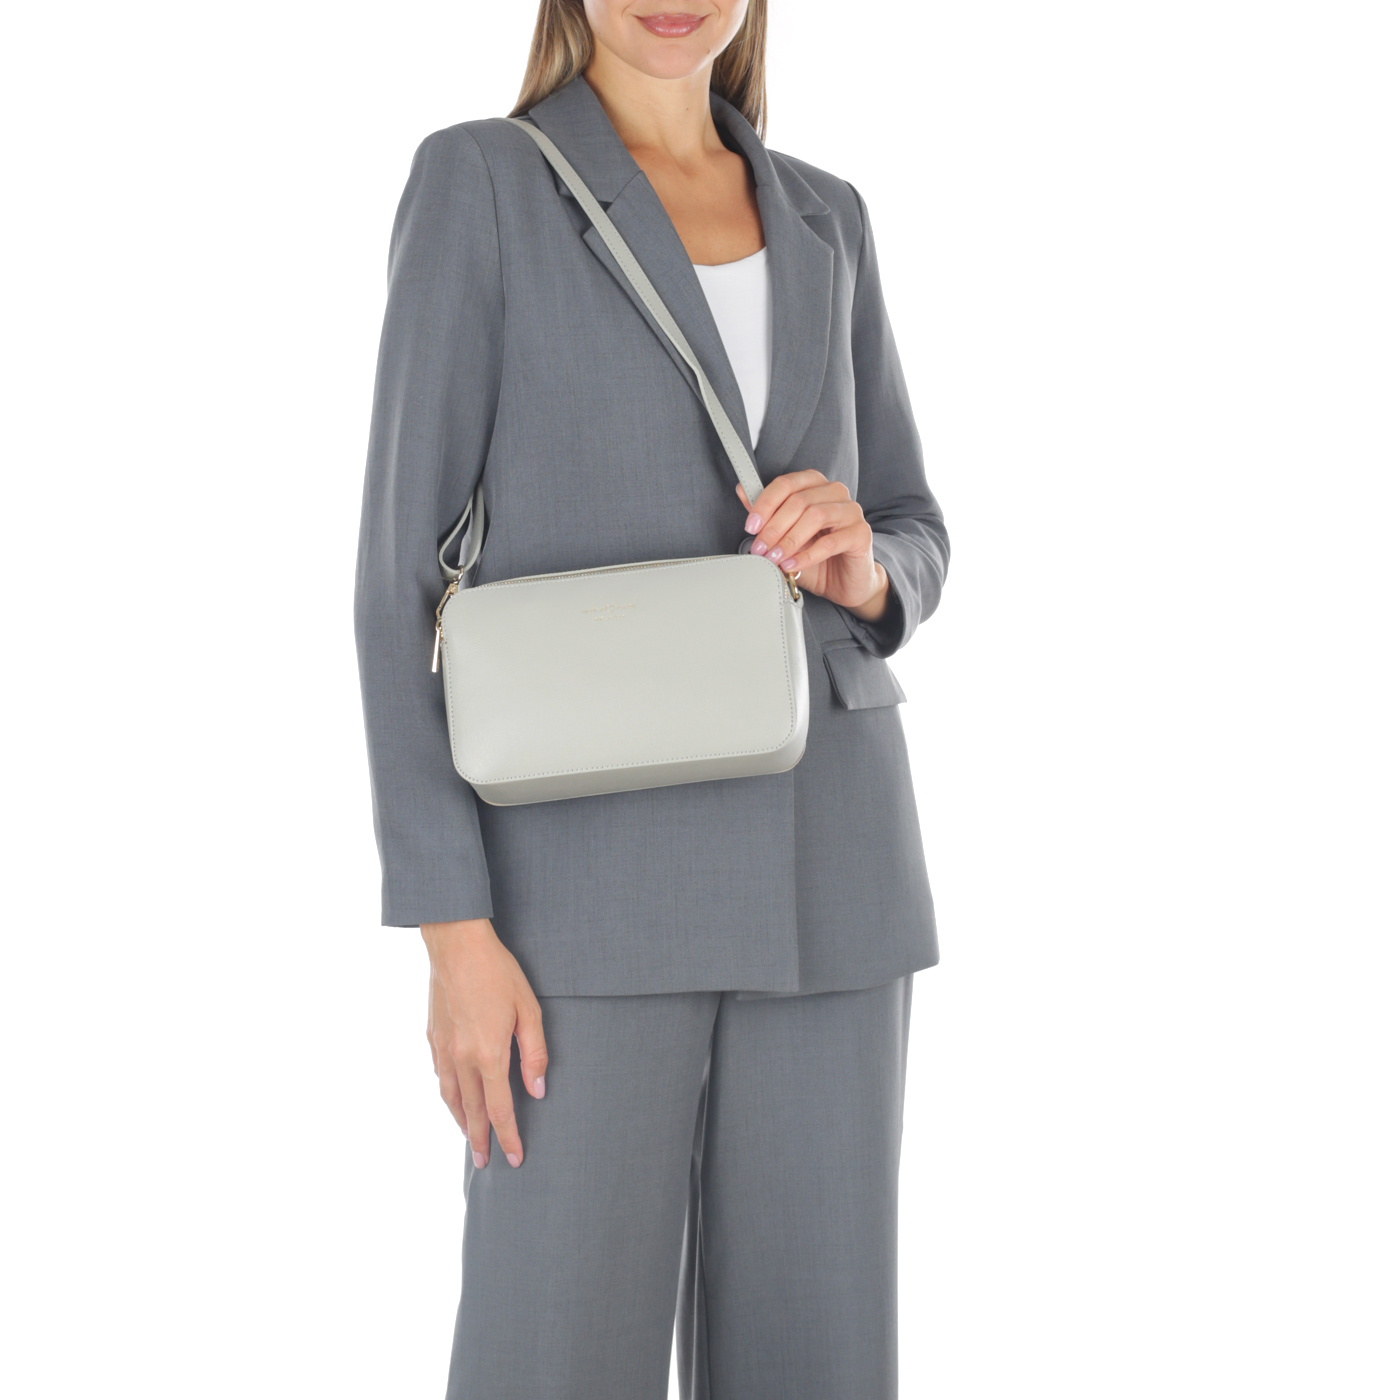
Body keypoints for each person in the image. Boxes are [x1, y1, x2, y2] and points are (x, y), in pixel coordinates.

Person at [353, 2, 950, 1395]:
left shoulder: (829, 215)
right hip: (578, 900)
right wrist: (451, 931)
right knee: (551, 1358)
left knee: (822, 1362)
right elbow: (398, 583)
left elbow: (914, 523)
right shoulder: (481, 183)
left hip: (831, 876)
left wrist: (866, 565)